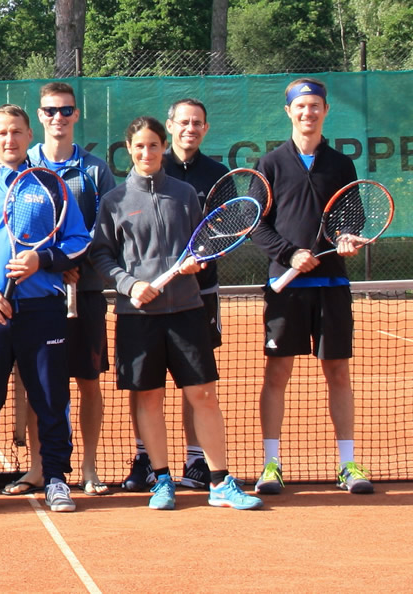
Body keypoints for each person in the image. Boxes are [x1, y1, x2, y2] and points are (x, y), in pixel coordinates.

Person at [88, 116, 264, 511]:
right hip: (138, 316)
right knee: (148, 399)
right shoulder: (114, 202)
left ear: (163, 147)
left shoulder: (185, 194)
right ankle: (162, 479)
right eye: (139, 146)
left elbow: (202, 246)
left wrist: (195, 264)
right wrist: (129, 283)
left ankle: (220, 481)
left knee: (203, 394)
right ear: (128, 151)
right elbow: (100, 254)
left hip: (186, 310)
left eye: (153, 145)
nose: (146, 152)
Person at [0, 105, 88, 514]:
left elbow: (79, 241)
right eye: (2, 133)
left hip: (42, 310)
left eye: (17, 132)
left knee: (50, 397)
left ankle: (57, 478)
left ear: (30, 136)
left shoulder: (53, 185)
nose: (10, 139)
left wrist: (41, 261)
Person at [251, 78, 373, 495]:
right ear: (289, 111)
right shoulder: (269, 164)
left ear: (325, 110)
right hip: (285, 288)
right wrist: (288, 254)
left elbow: (351, 216)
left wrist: (347, 238)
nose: (308, 113)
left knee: (338, 372)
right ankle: (271, 465)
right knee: (277, 373)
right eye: (301, 106)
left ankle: (347, 465)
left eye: (315, 105)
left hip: (332, 282)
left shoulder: (341, 164)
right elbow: (256, 226)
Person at [10, 82, 115, 497]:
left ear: (75, 115)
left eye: (66, 110)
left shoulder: (94, 170)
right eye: (51, 110)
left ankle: (88, 468)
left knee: (88, 381)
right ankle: (38, 466)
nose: (59, 117)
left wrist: (74, 263)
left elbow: (103, 228)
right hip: (38, 294)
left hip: (85, 291)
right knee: (39, 383)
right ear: (40, 117)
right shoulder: (24, 164)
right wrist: (54, 265)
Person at [151, 98, 230, 491]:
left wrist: (202, 256)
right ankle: (146, 460)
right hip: (154, 295)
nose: (190, 128)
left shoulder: (218, 174)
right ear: (170, 126)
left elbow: (227, 228)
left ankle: (197, 460)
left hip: (200, 292)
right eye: (183, 122)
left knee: (194, 378)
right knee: (149, 380)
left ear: (205, 128)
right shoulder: (152, 165)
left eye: (197, 122)